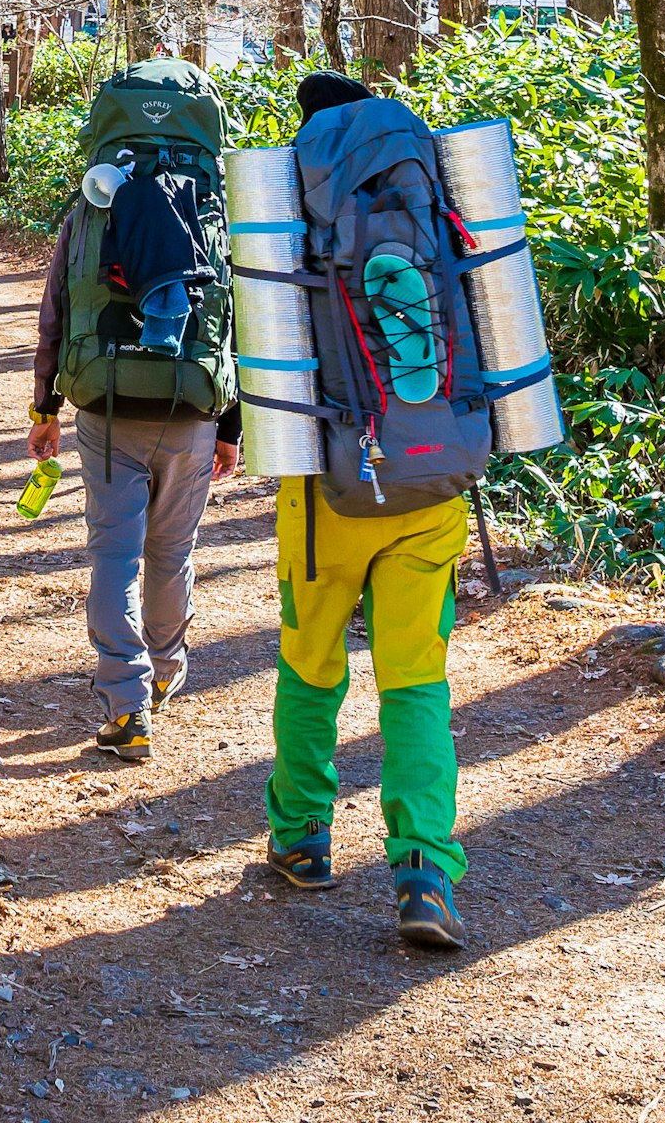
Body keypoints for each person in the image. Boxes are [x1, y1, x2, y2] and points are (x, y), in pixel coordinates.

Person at [261, 67, 472, 951]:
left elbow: (267, 359)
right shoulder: (434, 185)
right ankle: (425, 868)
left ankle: (304, 837)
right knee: (416, 680)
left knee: (312, 665)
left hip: (330, 491)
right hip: (434, 481)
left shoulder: (286, 204)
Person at [27, 56, 239, 762]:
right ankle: (166, 671)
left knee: (114, 552)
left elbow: (56, 311)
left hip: (108, 400)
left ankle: (126, 705)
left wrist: (44, 407)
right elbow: (234, 315)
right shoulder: (213, 205)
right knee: (172, 552)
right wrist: (230, 424)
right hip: (193, 405)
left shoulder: (92, 204)